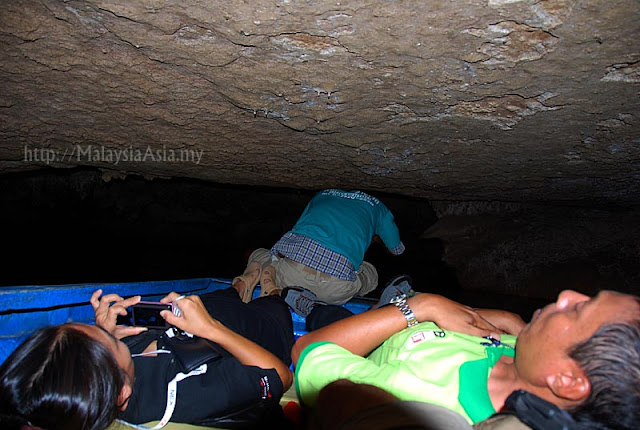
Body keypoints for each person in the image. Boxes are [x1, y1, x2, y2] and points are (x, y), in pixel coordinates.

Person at [292, 288, 640, 429]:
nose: (566, 294)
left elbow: (308, 350)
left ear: (566, 380)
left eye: (578, 309)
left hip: (358, 341)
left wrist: (420, 305)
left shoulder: (412, 396)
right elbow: (488, 326)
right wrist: (507, 322)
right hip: (397, 324)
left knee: (323, 314)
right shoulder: (525, 356)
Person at [0, 278, 295, 430]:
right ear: (123, 394)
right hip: (263, 334)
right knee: (273, 308)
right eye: (106, 341)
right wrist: (212, 327)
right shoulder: (188, 396)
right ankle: (271, 292)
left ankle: (238, 286)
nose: (104, 330)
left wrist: (110, 334)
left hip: (198, 320)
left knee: (214, 299)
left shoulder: (108, 380)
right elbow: (279, 377)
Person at [233, 189, 405, 306]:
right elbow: (396, 251)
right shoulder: (379, 209)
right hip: (336, 290)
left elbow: (299, 228)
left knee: (261, 254)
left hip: (292, 275)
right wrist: (374, 237)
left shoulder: (323, 195)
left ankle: (254, 280)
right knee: (369, 271)